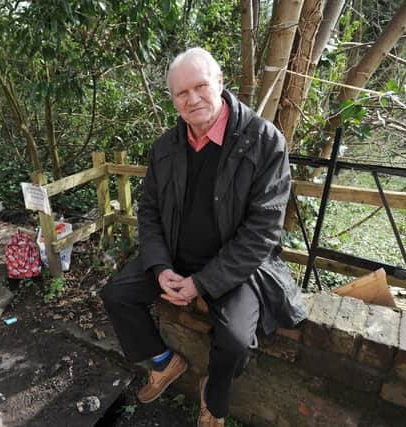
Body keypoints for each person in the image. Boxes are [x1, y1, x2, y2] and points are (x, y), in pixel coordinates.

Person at [100, 47, 307, 426]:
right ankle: (165, 363)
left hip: (236, 266)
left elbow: (262, 233)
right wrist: (160, 266)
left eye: (201, 86)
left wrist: (202, 283)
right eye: (182, 93)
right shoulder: (164, 147)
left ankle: (214, 394)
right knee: (116, 295)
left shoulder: (264, 142)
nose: (192, 99)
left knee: (236, 341)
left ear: (220, 83)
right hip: (176, 254)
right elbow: (149, 212)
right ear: (173, 99)